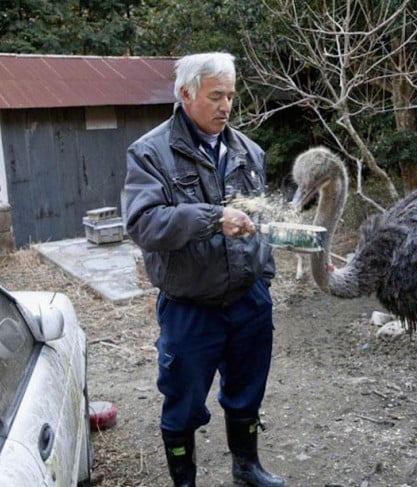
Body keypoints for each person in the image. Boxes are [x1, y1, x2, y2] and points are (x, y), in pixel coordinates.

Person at [123, 52, 285, 487]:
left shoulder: (248, 152)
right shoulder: (150, 153)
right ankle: (184, 482)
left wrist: (263, 280)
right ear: (185, 93)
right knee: (183, 401)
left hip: (248, 300)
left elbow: (261, 223)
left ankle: (246, 467)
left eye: (231, 95)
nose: (226, 106)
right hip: (190, 306)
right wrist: (212, 217)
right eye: (216, 96)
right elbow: (143, 223)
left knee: (248, 388)